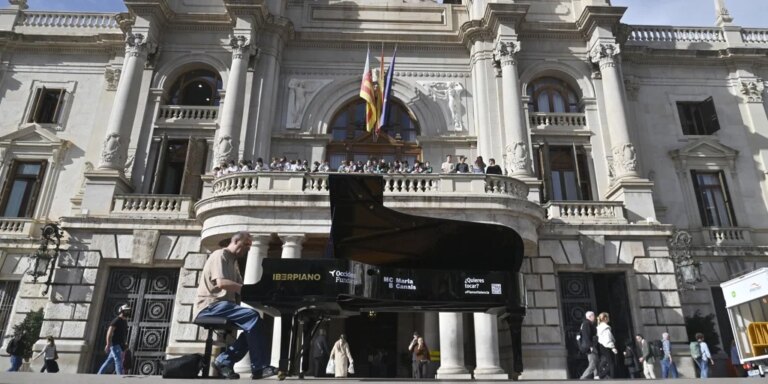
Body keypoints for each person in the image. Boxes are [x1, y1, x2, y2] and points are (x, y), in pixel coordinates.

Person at [194, 232, 277, 380]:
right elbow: (222, 283)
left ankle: (224, 360)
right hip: (210, 306)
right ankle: (259, 368)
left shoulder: (233, 262)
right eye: (246, 244)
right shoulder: (220, 255)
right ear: (236, 241)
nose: (248, 248)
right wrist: (245, 290)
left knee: (258, 324)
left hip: (224, 306)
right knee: (252, 316)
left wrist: (263, 295)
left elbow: (241, 287)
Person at [97, 304, 130, 375]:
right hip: (115, 344)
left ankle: (99, 374)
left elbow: (123, 334)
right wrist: (108, 344)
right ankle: (119, 378)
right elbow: (109, 332)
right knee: (118, 360)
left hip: (121, 344)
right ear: (121, 311)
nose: (127, 312)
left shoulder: (124, 321)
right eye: (126, 311)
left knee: (109, 360)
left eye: (128, 311)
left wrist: (125, 343)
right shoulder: (116, 320)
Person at [596, 312, 618, 379]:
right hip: (607, 346)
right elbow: (608, 338)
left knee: (605, 362)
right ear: (605, 318)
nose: (609, 318)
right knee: (611, 364)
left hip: (602, 346)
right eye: (608, 317)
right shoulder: (605, 327)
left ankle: (602, 376)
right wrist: (613, 347)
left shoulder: (599, 327)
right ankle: (605, 377)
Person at [578, 311, 599, 380]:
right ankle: (583, 377)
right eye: (593, 316)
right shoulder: (587, 324)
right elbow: (586, 336)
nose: (594, 317)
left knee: (595, 361)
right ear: (590, 316)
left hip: (590, 345)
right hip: (590, 346)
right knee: (593, 363)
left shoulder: (586, 323)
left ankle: (596, 376)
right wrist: (591, 346)